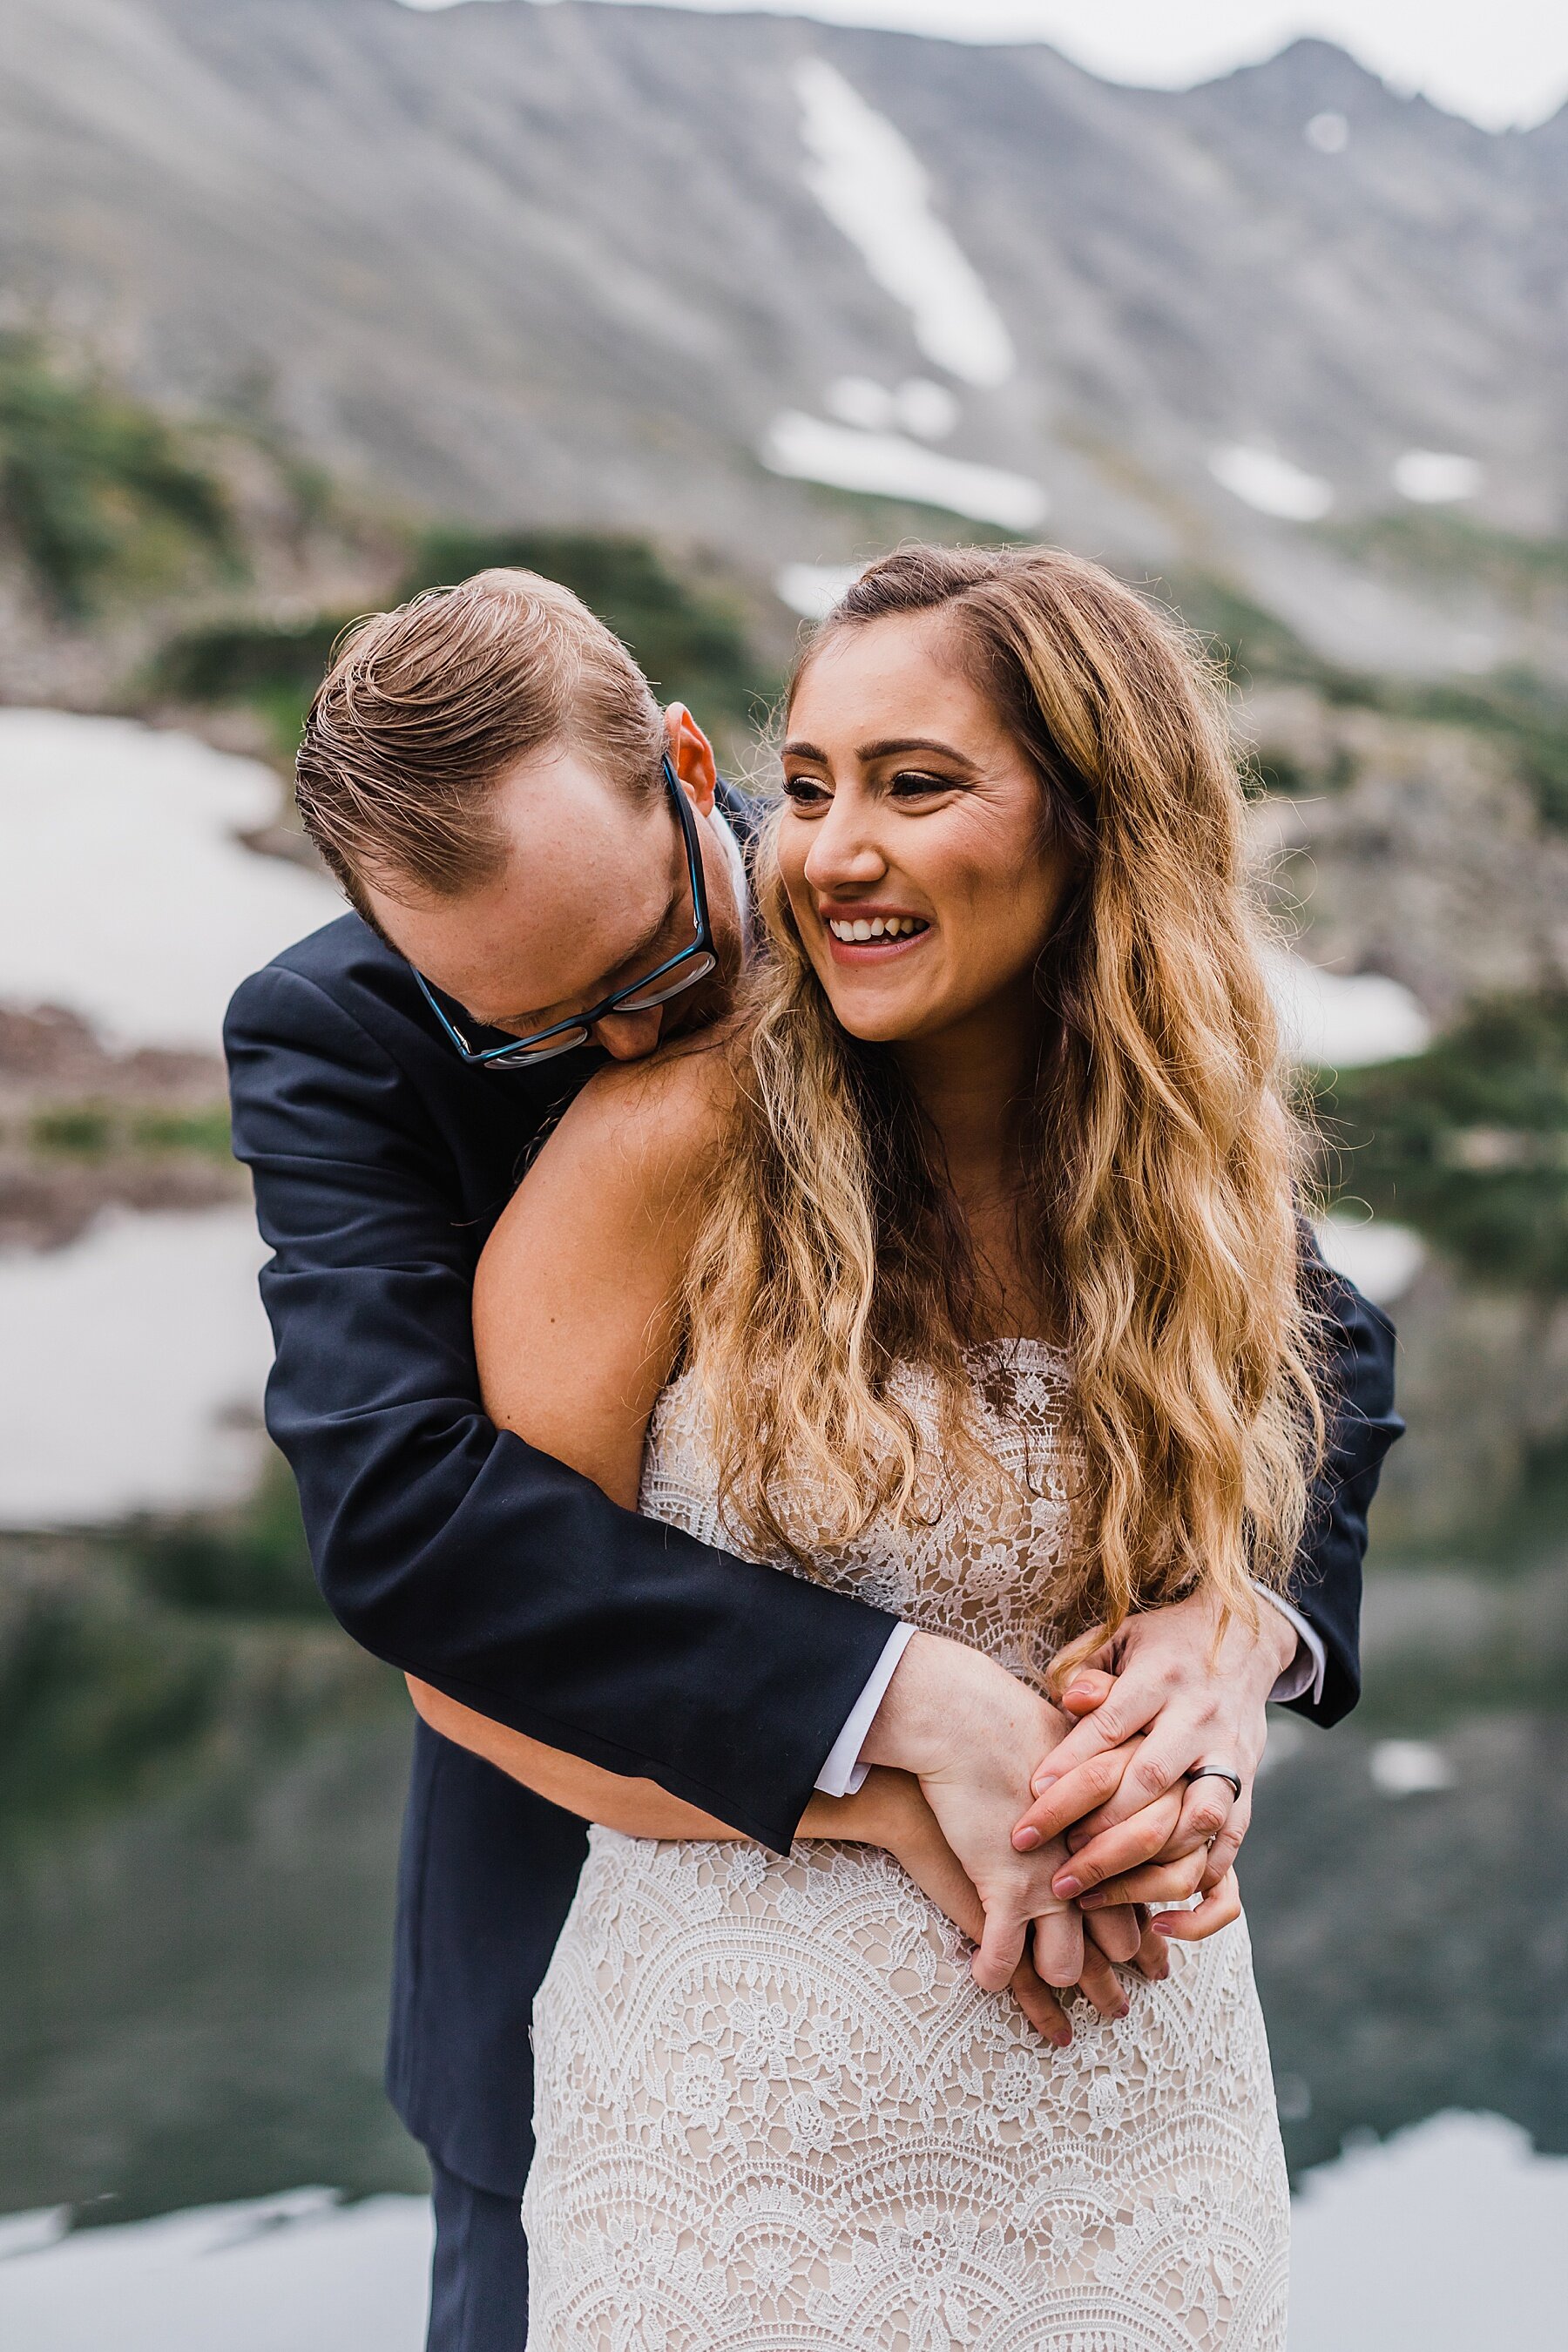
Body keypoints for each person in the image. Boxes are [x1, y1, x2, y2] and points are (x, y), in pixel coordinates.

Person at [223, 561, 1400, 2349]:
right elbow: (416, 1532)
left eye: (653, 966)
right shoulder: (345, 1041)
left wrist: (1242, 1639)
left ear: (698, 771)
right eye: (520, 1029)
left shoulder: (905, 915)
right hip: (651, 2012)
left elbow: (1318, 1338)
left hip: (1103, 2089)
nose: (626, 1040)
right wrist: (909, 1726)